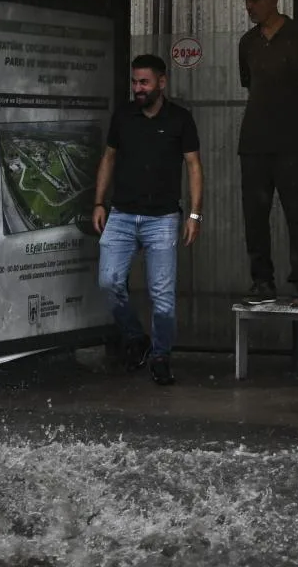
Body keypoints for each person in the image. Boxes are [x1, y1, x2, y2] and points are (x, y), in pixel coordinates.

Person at [93, 54, 204, 385]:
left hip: (163, 220)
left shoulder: (180, 119)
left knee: (163, 299)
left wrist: (195, 214)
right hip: (121, 215)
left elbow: (194, 166)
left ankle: (160, 355)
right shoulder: (124, 116)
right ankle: (135, 337)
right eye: (135, 82)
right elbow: (109, 158)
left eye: (144, 82)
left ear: (161, 82)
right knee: (108, 282)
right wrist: (99, 202)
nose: (138, 88)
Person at [237, 0, 298, 305]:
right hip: (255, 141)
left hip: (293, 142)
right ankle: (262, 282)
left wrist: (296, 120)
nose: (250, 6)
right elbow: (251, 85)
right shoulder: (247, 42)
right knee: (255, 215)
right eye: (247, 0)